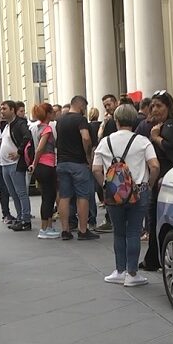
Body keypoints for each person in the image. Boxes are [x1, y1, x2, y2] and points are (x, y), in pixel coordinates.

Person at [93, 105, 159, 286]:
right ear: (134, 120)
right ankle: (132, 274)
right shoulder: (142, 141)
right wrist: (149, 184)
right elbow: (154, 166)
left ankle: (119, 270)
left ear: (116, 121)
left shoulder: (105, 141)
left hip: (114, 193)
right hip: (139, 191)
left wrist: (106, 186)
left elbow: (96, 169)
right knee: (134, 232)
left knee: (119, 232)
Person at [136, 90, 173, 271]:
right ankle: (153, 257)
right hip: (168, 179)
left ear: (168, 107)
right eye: (152, 106)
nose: (154, 109)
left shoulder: (168, 127)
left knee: (157, 219)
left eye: (159, 106)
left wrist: (156, 138)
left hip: (166, 180)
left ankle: (154, 259)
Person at [55, 95, 100, 241]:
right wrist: (88, 156)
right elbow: (85, 137)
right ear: (81, 106)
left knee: (64, 197)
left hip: (62, 162)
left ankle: (65, 230)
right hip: (78, 163)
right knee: (82, 196)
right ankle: (82, 230)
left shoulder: (60, 120)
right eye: (84, 108)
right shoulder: (80, 120)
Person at [0, 100, 33, 231]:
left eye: (4, 109)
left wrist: (19, 152)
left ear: (12, 110)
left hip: (15, 164)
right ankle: (20, 218)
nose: (2, 111)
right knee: (13, 193)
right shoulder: (6, 125)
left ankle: (26, 220)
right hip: (5, 164)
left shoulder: (19, 123)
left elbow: (27, 137)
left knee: (21, 192)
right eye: (1, 109)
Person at [28, 103, 60, 239]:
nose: (54, 114)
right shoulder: (47, 129)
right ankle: (44, 229)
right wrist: (34, 163)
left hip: (42, 166)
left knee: (49, 196)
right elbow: (40, 148)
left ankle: (48, 226)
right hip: (46, 165)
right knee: (48, 197)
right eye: (52, 112)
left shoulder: (36, 128)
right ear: (48, 114)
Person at [0, 119, 15, 225]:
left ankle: (7, 213)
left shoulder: (6, 130)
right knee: (4, 189)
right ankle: (5, 214)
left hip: (4, 162)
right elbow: (4, 143)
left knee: (7, 189)